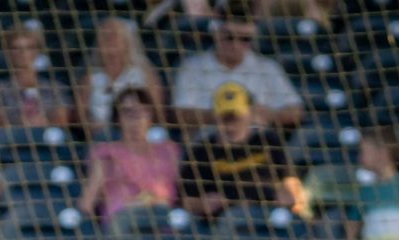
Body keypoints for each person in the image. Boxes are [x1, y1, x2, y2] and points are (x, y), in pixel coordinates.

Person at [180, 82, 303, 220]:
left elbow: (291, 182)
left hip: (267, 214)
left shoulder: (269, 142)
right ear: (215, 116)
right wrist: (202, 204)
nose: (231, 125)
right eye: (225, 118)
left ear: (250, 113)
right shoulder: (200, 152)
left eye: (236, 117)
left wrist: (288, 195)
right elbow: (185, 201)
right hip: (222, 220)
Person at [169, 10, 300, 131]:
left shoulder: (268, 67)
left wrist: (267, 115)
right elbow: (181, 114)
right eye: (229, 37)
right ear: (217, 34)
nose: (235, 45)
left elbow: (296, 111)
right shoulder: (192, 66)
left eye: (245, 39)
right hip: (209, 143)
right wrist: (226, 115)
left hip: (258, 143)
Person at [79, 86, 179, 222]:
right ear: (117, 118)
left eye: (143, 111)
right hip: (123, 221)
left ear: (151, 116)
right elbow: (88, 201)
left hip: (162, 220)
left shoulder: (168, 151)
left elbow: (180, 195)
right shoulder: (107, 153)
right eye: (128, 112)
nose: (135, 119)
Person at [74, 17, 156, 132]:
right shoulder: (90, 78)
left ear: (127, 41)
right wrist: (93, 127)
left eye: (114, 35)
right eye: (104, 36)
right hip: (101, 137)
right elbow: (80, 116)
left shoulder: (145, 74)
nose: (109, 40)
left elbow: (158, 111)